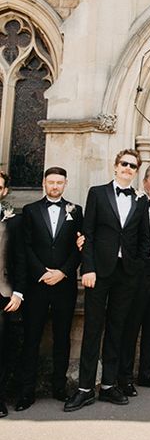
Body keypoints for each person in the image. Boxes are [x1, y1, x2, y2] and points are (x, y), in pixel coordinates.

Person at [64, 149, 150, 412]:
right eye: (124, 164)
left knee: (117, 329)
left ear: (136, 171)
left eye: (132, 166)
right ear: (115, 166)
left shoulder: (141, 200)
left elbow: (144, 240)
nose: (127, 168)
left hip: (126, 274)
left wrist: (136, 268)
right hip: (99, 272)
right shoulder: (97, 193)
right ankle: (85, 388)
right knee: (93, 328)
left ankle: (109, 385)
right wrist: (87, 268)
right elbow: (87, 232)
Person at [17, 167, 82, 411]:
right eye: (51, 182)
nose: (55, 186)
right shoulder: (30, 210)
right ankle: (26, 392)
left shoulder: (76, 211)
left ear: (65, 183)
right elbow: (26, 247)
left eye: (59, 182)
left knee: (62, 338)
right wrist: (42, 273)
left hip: (64, 285)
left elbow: (79, 247)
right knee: (31, 338)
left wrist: (63, 272)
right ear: (44, 183)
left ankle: (59, 387)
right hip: (38, 284)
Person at [118, 164, 150, 396]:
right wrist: (134, 268)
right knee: (132, 326)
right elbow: (126, 238)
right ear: (145, 182)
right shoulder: (136, 205)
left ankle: (147, 373)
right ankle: (124, 377)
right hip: (140, 272)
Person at [0, 170, 25, 419]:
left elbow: (19, 259)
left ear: (5, 191)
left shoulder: (13, 221)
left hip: (3, 292)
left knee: (2, 347)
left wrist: (18, 292)